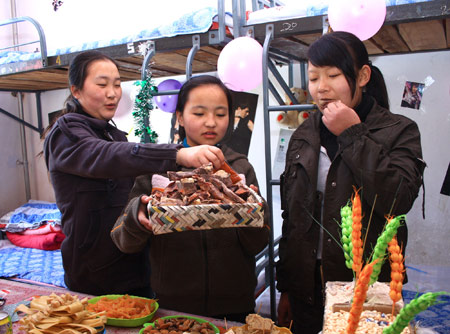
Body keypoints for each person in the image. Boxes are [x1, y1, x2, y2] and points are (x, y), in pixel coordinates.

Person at [276, 32, 424, 334]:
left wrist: (352, 134)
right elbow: (291, 218)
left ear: (363, 75)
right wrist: (286, 286)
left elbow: (398, 199)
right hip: (307, 287)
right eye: (314, 77)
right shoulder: (303, 135)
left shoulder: (399, 130)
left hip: (367, 290)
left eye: (333, 75)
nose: (322, 88)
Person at [43, 51, 225, 297]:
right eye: (102, 84)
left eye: (117, 84)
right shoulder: (67, 134)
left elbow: (128, 193)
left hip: (134, 265)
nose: (113, 93)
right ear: (76, 90)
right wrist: (178, 153)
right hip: (94, 273)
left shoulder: (114, 135)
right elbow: (107, 156)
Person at [111, 75, 269, 322]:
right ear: (181, 117)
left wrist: (254, 214)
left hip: (235, 302)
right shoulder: (157, 168)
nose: (211, 122)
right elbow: (123, 241)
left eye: (220, 114)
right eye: (199, 113)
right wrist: (137, 215)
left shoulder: (239, 168)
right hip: (173, 304)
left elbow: (258, 243)